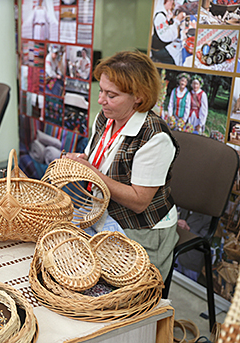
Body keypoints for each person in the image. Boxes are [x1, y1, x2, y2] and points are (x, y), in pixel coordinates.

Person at [65, 51, 179, 280]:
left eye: (111, 95)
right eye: (101, 91)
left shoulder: (154, 137)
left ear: (138, 96)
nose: (101, 100)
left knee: (95, 283)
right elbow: (97, 161)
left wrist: (92, 173)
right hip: (104, 212)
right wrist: (79, 162)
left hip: (141, 229)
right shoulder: (106, 118)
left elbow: (139, 202)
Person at [151, 0, 186, 65]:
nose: (172, 2)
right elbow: (167, 37)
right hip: (159, 49)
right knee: (177, 55)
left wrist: (176, 20)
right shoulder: (160, 16)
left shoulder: (165, 13)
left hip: (163, 45)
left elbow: (168, 25)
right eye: (170, 1)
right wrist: (177, 21)